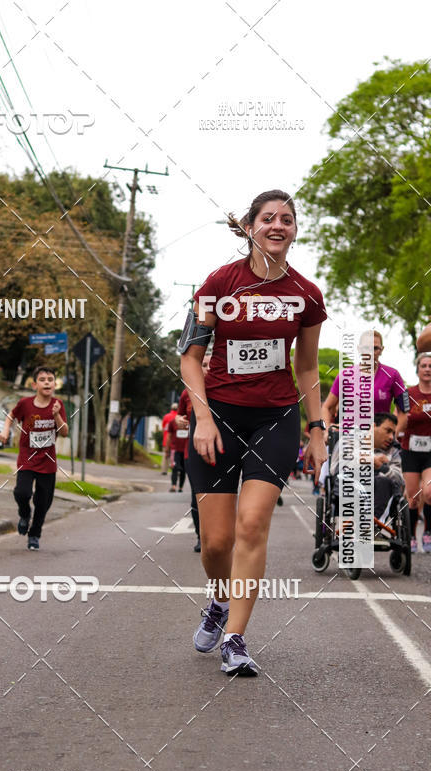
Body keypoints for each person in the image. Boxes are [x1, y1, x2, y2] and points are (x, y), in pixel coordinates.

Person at [181, 189, 327, 676]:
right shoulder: (219, 284)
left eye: (287, 219)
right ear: (250, 227)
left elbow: (307, 368)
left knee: (251, 526)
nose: (278, 225)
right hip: (217, 417)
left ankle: (236, 639)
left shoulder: (305, 294)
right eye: (268, 218)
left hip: (275, 417)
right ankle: (219, 601)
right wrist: (202, 417)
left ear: (295, 230)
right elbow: (190, 357)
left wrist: (317, 428)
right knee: (217, 542)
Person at [0, 366, 68, 551]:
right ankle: (24, 513)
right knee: (22, 493)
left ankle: (34, 535)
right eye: (43, 379)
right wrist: (5, 430)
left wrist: (56, 416)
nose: (47, 382)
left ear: (54, 384)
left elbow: (65, 432)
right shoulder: (25, 403)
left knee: (43, 503)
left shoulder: (58, 405)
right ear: (35, 384)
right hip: (27, 458)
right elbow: (11, 416)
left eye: (50, 379)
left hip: (48, 462)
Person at [401, 353, 431, 554]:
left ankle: (427, 532)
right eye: (424, 365)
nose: (427, 369)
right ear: (417, 369)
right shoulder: (407, 393)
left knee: (429, 494)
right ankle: (411, 535)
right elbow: (399, 419)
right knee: (413, 498)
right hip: (410, 450)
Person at [329, 411, 404, 529]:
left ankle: (369, 526)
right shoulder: (349, 440)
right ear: (373, 426)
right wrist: (368, 460)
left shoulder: (393, 451)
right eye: (388, 431)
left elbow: (399, 479)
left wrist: (383, 468)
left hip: (379, 493)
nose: (391, 437)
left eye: (393, 433)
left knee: (383, 482)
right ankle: (357, 525)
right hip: (350, 489)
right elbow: (336, 469)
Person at [321, 331, 409, 428]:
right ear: (359, 349)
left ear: (381, 350)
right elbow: (326, 407)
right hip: (349, 436)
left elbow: (404, 411)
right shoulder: (345, 375)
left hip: (379, 439)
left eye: (375, 348)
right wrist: (326, 431)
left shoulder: (393, 375)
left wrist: (392, 436)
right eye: (366, 348)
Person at [176, 353, 211, 551]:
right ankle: (201, 537)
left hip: (222, 452)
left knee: (222, 498)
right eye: (203, 365)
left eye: (211, 365)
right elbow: (179, 416)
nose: (208, 369)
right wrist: (178, 421)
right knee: (197, 497)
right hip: (194, 452)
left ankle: (220, 538)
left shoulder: (224, 392)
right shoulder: (186, 393)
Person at [168, 413, 188, 492]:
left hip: (186, 450)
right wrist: (167, 449)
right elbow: (169, 436)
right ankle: (173, 486)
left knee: (183, 469)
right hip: (175, 449)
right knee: (175, 468)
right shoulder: (172, 422)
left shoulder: (189, 423)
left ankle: (180, 487)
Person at [160, 403, 178, 475]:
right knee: (176, 456)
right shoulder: (178, 417)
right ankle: (176, 469)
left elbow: (164, 427)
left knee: (165, 455)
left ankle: (164, 470)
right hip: (175, 440)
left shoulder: (166, 416)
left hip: (166, 438)